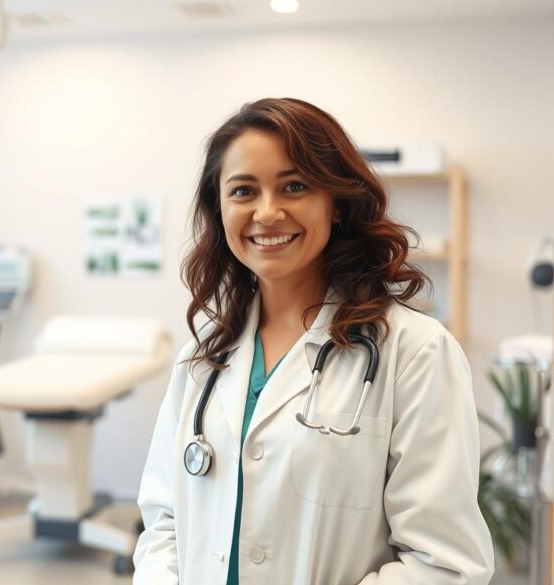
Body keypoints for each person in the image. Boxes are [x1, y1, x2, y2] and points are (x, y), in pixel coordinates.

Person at [133, 98, 494, 584]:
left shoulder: (414, 351)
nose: (267, 212)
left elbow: (443, 563)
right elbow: (164, 523)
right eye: (243, 191)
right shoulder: (202, 359)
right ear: (219, 210)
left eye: (294, 186)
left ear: (337, 204)